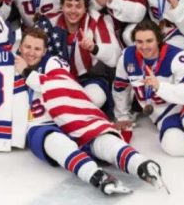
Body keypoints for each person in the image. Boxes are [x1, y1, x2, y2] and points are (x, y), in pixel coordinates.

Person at [16, 28, 165, 193]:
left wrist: (25, 72)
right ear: (20, 46)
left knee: (100, 138)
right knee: (53, 141)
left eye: (37, 49)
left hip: (67, 115)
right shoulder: (8, 65)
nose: (31, 53)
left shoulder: (53, 62)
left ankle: (140, 164)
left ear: (44, 51)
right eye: (27, 47)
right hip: (39, 122)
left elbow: (57, 83)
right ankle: (95, 175)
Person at [113, 20, 184, 157]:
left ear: (159, 40)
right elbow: (120, 87)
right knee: (172, 146)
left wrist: (160, 87)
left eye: (149, 41)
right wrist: (122, 115)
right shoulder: (127, 57)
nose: (144, 46)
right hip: (164, 116)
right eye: (139, 42)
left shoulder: (176, 56)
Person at [33, 0, 122, 111]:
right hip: (56, 78)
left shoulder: (96, 21)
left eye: (78, 6)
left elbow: (115, 56)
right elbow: (30, 47)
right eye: (69, 5)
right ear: (62, 7)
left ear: (86, 8)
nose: (73, 11)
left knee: (96, 98)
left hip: (90, 78)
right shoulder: (48, 22)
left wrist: (94, 48)